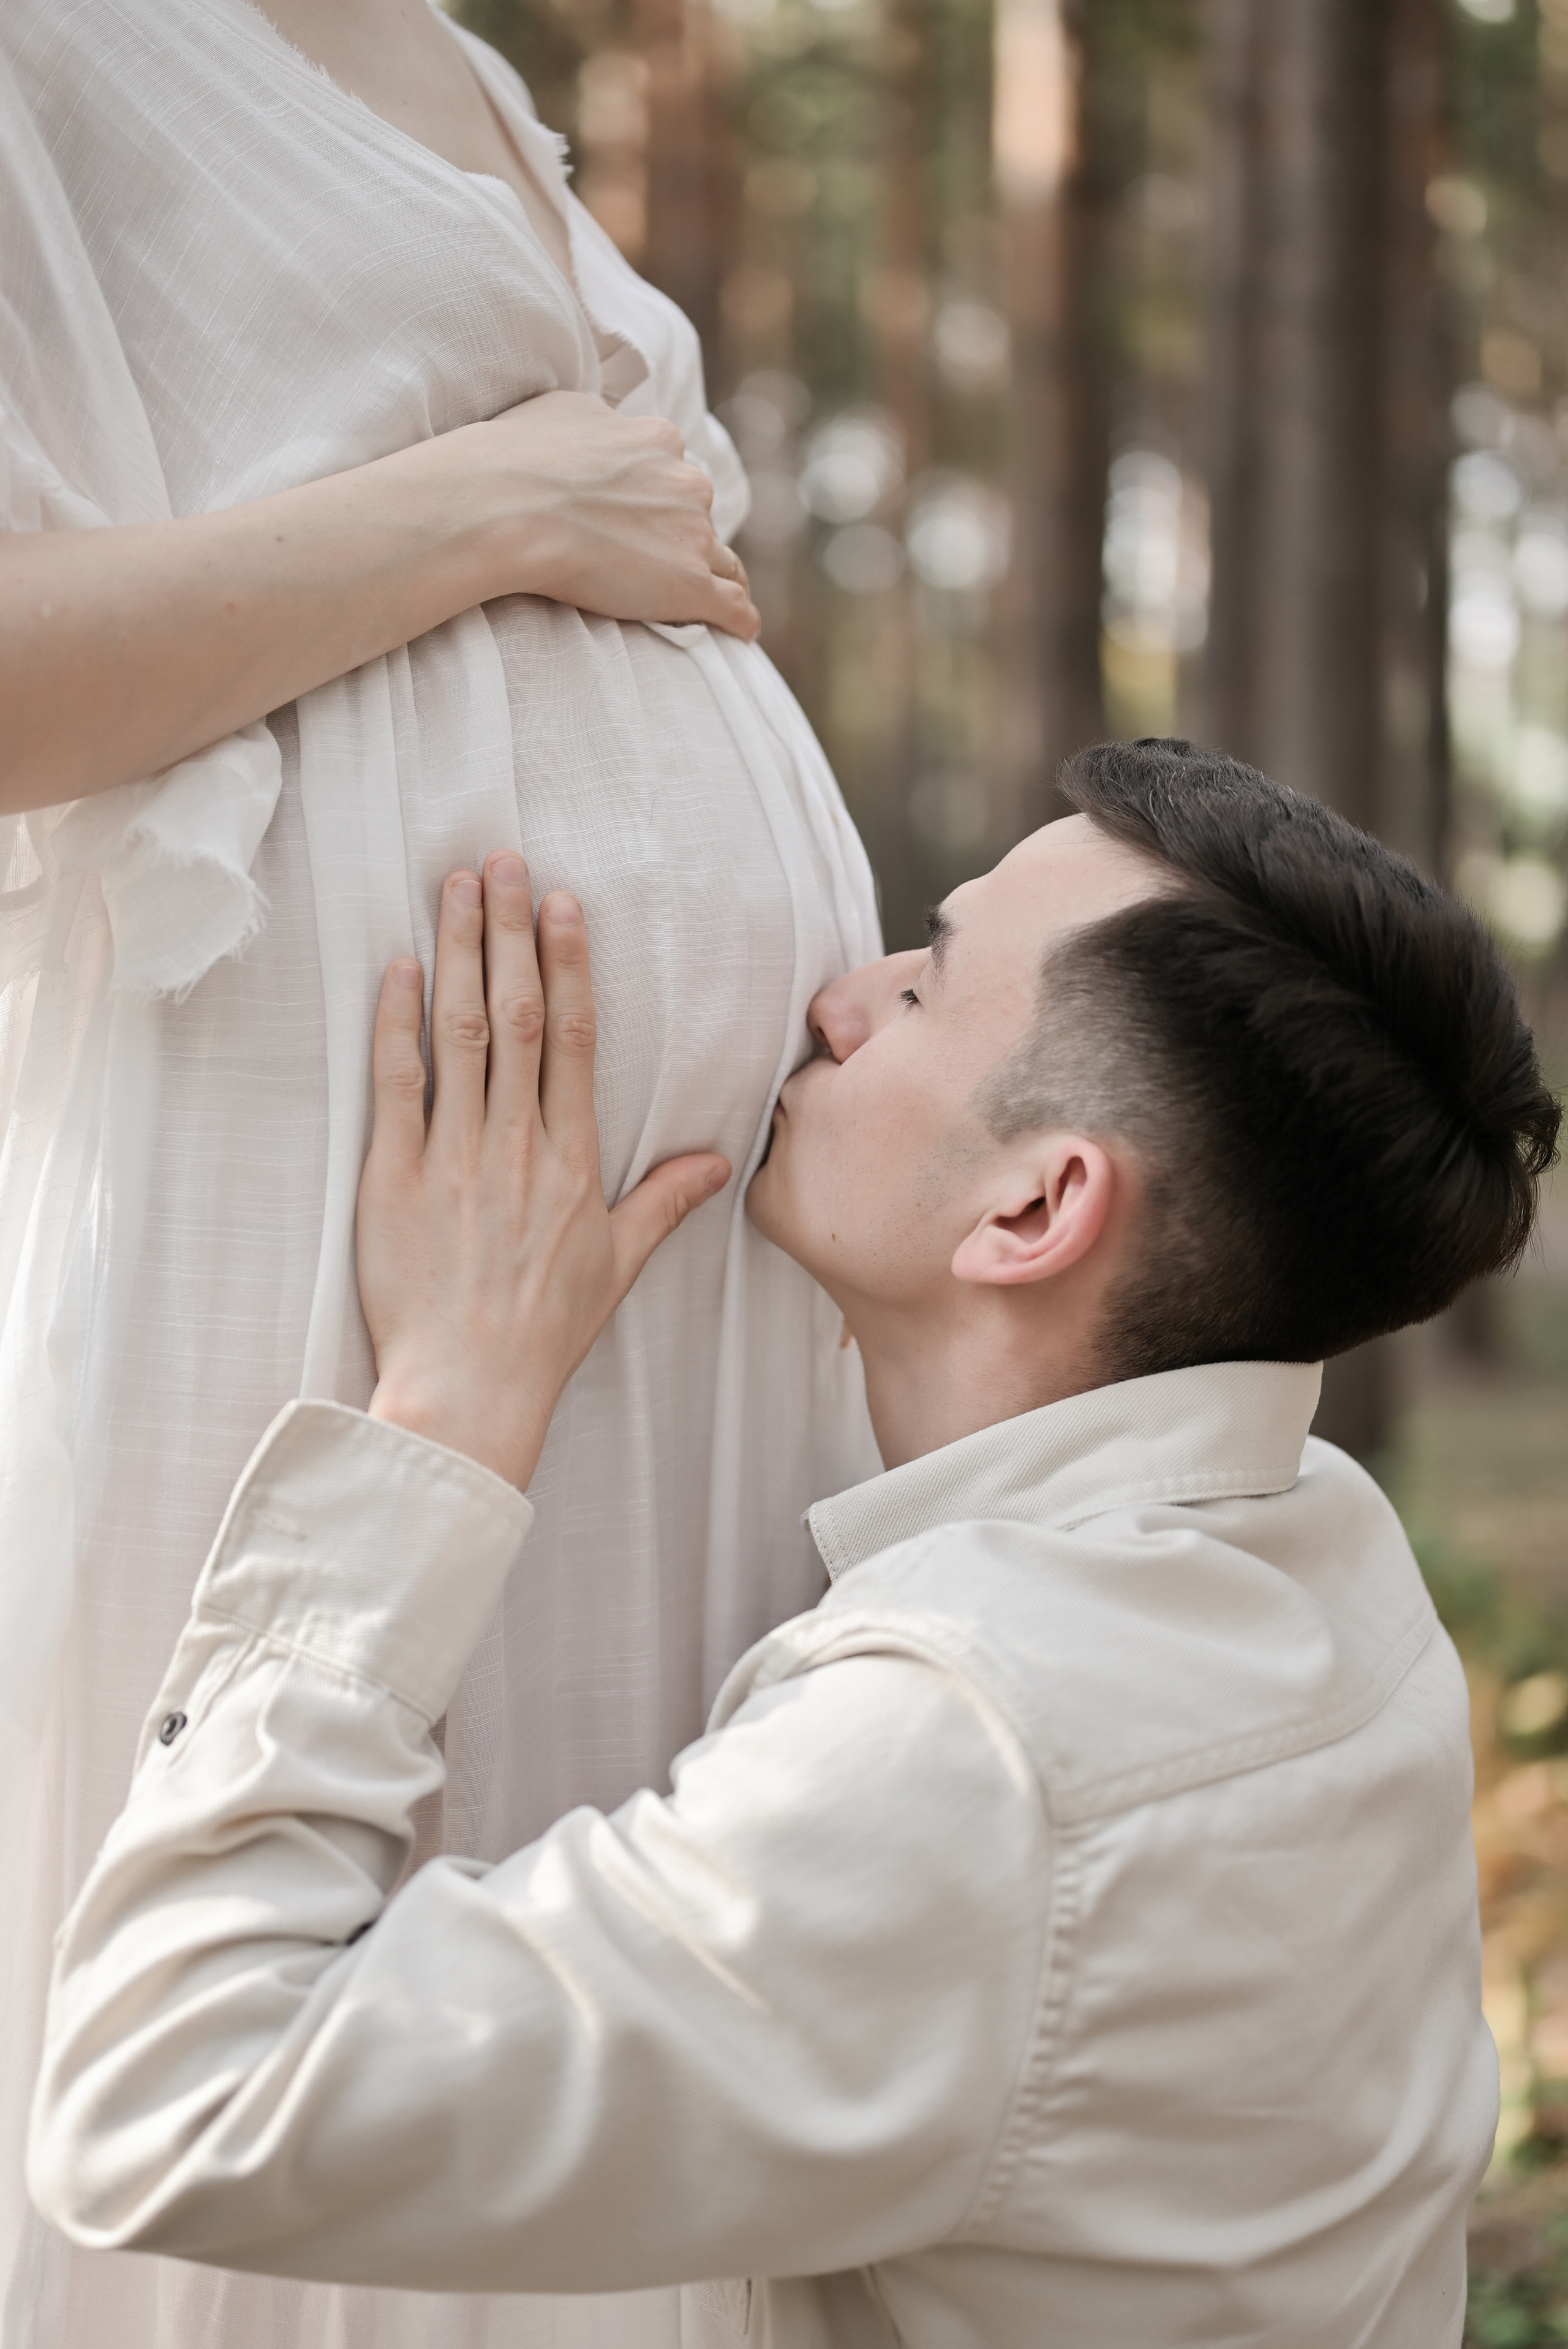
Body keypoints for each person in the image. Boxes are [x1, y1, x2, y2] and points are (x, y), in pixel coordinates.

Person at [28, 742, 1561, 2346]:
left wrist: (441, 1418)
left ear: (1035, 1211)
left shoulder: (968, 1763)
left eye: (922, 990)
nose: (841, 996)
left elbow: (172, 2096)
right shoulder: (1332, 1549)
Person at [0, 7, 878, 2344]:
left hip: (671, 1292)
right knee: (267, 1948)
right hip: (319, 1215)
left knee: (598, 1994)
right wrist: (487, 509)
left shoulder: (463, 62)